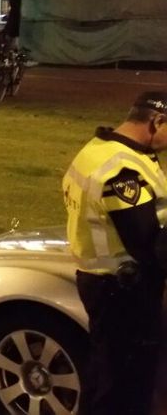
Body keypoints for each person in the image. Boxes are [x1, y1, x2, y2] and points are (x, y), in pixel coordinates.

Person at [62, 92, 167, 415]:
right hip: (122, 291)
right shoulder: (120, 172)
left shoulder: (100, 148)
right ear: (157, 121)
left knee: (105, 375)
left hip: (106, 283)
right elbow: (147, 246)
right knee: (124, 386)